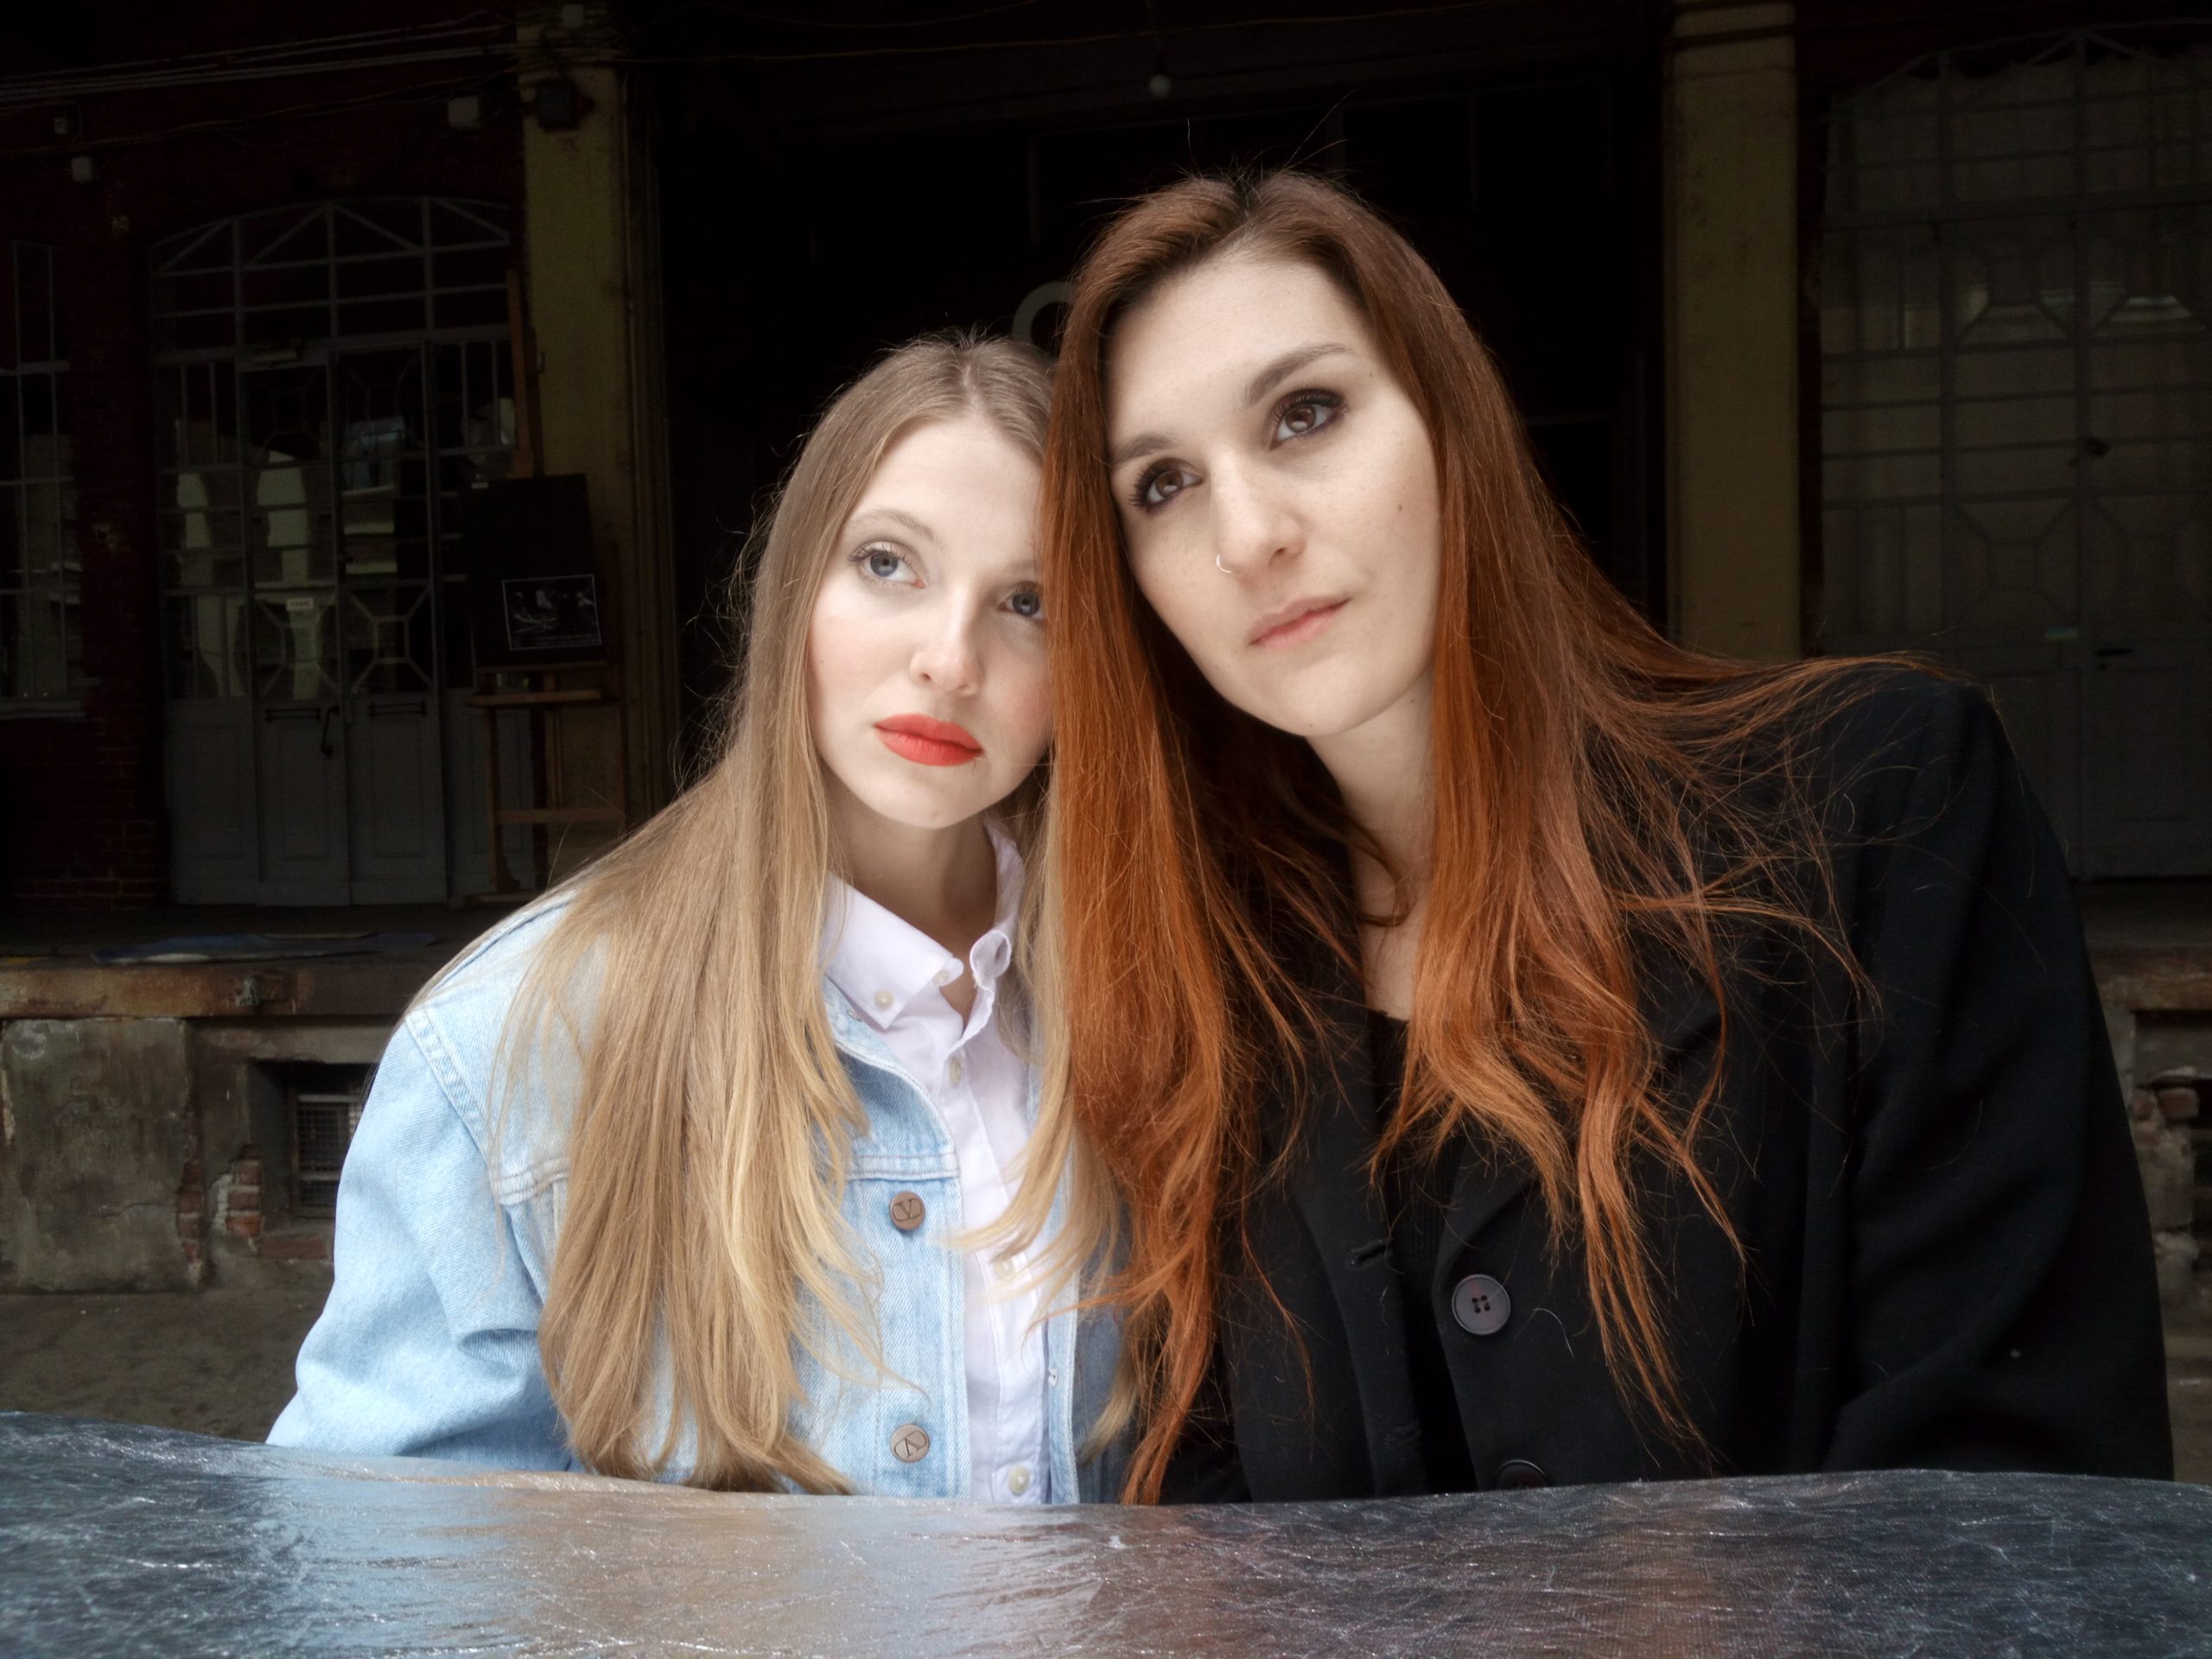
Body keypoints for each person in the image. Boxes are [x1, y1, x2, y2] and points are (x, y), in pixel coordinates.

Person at [1017, 170, 2171, 1503]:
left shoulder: (1877, 804)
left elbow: (2017, 1497)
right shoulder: (1218, 980)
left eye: (1306, 413)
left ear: (1451, 422)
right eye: (1162, 484)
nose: (1249, 535)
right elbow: (1207, 1509)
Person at [271, 334, 1119, 1502]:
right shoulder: (514, 1038)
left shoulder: (1148, 992)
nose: (949, 659)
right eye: (888, 564)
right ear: (793, 589)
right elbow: (382, 1548)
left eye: (1029, 601)